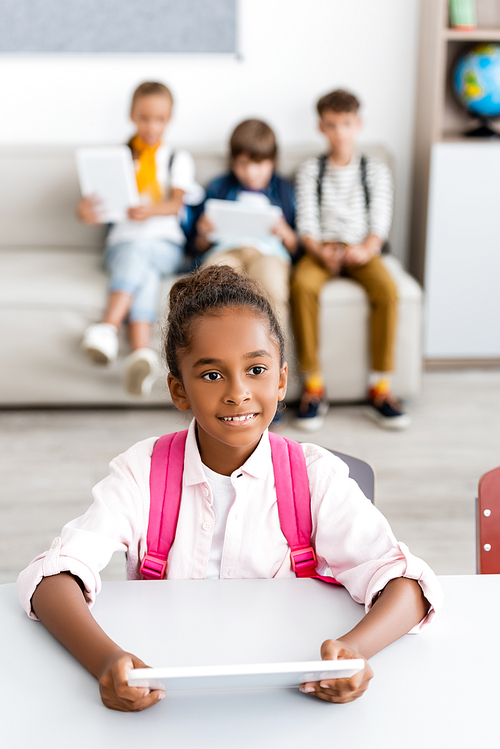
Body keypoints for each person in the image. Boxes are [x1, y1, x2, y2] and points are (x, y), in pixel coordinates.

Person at [18, 265, 442, 712]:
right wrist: (106, 662)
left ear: (281, 381)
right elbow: (51, 578)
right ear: (178, 391)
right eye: (212, 375)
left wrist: (354, 652)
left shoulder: (315, 476)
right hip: (170, 698)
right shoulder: (141, 472)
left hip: (287, 700)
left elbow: (407, 585)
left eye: (256, 369)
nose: (238, 393)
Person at [291, 89, 408, 431]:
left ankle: (381, 388)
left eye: (346, 124)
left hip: (362, 249)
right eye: (332, 125)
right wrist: (319, 251)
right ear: (321, 128)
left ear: (358, 125)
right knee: (302, 286)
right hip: (322, 248)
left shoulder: (375, 169)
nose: (340, 132)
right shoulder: (311, 170)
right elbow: (306, 223)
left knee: (387, 288)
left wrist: (367, 248)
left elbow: (380, 219)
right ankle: (313, 386)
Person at [77, 81, 203, 396]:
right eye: (144, 118)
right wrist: (86, 212)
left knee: (143, 252)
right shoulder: (118, 158)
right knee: (141, 265)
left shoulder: (177, 159)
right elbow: (99, 209)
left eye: (160, 119)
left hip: (166, 245)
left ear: (169, 118)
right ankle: (141, 352)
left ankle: (108, 326)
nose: (151, 126)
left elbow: (176, 204)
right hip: (123, 243)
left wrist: (150, 212)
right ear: (132, 116)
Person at [195, 119, 297, 331]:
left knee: (271, 284)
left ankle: (274, 360)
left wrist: (286, 234)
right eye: (242, 165)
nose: (251, 173)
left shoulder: (284, 191)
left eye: (259, 165)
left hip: (269, 253)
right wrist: (203, 234)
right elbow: (198, 245)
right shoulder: (219, 187)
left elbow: (296, 246)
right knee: (213, 283)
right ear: (232, 162)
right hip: (227, 250)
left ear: (272, 162)